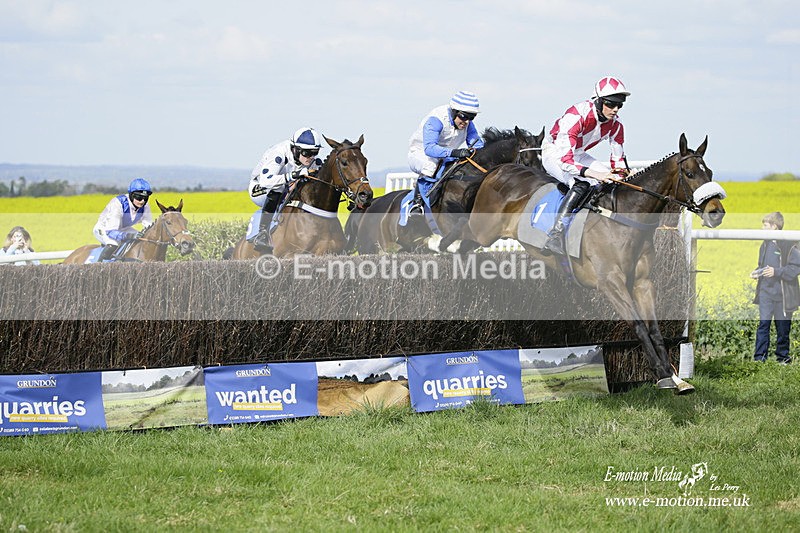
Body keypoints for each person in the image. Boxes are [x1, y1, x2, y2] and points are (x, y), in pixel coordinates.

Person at [540, 76, 631, 255]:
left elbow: (618, 161)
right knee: (581, 183)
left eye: (620, 105)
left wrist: (621, 175)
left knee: (611, 183)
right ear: (598, 100)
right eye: (611, 104)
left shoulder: (616, 125)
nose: (615, 110)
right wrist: (596, 175)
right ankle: (556, 235)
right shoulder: (575, 116)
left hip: (578, 154)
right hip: (555, 153)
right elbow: (565, 161)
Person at [407, 90, 485, 215]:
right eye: (464, 116)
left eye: (471, 117)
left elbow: (477, 144)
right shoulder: (436, 120)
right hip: (421, 154)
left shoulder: (467, 123)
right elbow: (430, 148)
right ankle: (417, 204)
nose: (466, 121)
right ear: (454, 111)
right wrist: (455, 152)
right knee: (430, 166)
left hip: (446, 156)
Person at [249, 127, 324, 252]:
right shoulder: (278, 153)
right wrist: (293, 176)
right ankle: (262, 233)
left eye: (314, 152)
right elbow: (266, 181)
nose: (311, 157)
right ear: (296, 149)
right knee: (278, 188)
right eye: (307, 153)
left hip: (286, 187)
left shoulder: (311, 160)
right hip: (260, 188)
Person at [751, 211, 800, 364]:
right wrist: (757, 272)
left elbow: (795, 268)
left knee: (783, 329)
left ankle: (783, 359)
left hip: (783, 295)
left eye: (765, 225)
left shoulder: (790, 244)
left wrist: (776, 272)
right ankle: (759, 359)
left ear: (774, 227)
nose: (762, 228)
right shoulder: (764, 245)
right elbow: (762, 266)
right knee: (763, 325)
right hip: (766, 292)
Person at [93, 178, 154, 261]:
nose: (142, 201)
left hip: (123, 228)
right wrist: (129, 236)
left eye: (145, 198)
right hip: (105, 229)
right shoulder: (118, 204)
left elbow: (149, 225)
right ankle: (98, 266)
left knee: (141, 239)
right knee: (114, 243)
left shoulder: (145, 206)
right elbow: (111, 231)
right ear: (132, 195)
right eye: (139, 197)